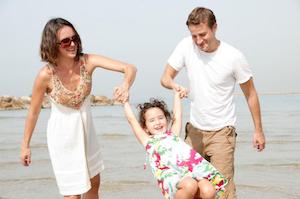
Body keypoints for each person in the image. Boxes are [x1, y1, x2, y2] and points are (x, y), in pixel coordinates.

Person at [20, 18, 136, 199]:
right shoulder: (45, 75)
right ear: (52, 44)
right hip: (63, 139)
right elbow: (33, 112)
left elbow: (129, 68)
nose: (72, 44)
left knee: (93, 188)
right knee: (72, 195)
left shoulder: (87, 62)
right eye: (66, 41)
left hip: (87, 133)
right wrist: (25, 145)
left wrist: (125, 85)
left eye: (75, 38)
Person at [161, 7, 266, 199]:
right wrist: (175, 86)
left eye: (203, 34)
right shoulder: (186, 46)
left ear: (215, 27)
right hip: (193, 132)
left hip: (222, 134)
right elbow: (165, 78)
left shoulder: (233, 57)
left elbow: (250, 94)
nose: (199, 41)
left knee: (222, 191)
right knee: (187, 187)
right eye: (194, 36)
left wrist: (258, 130)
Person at [123, 90, 227, 199]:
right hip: (172, 178)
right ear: (145, 127)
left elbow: (178, 114)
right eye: (152, 120)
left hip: (192, 171)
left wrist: (177, 95)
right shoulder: (148, 141)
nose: (157, 122)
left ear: (167, 119)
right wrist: (125, 102)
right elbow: (132, 120)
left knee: (208, 190)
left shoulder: (173, 134)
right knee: (190, 184)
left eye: (160, 118)